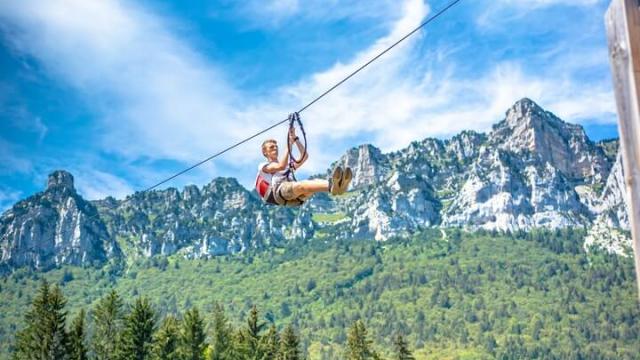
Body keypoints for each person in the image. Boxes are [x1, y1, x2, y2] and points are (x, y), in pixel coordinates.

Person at [255, 126, 352, 206]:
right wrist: (289, 144)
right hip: (280, 191)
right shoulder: (263, 166)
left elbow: (304, 156)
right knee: (302, 185)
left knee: (313, 183)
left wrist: (295, 139)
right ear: (265, 152)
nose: (275, 148)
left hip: (295, 198)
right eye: (271, 147)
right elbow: (281, 166)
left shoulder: (287, 167)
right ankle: (332, 186)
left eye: (276, 146)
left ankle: (336, 187)